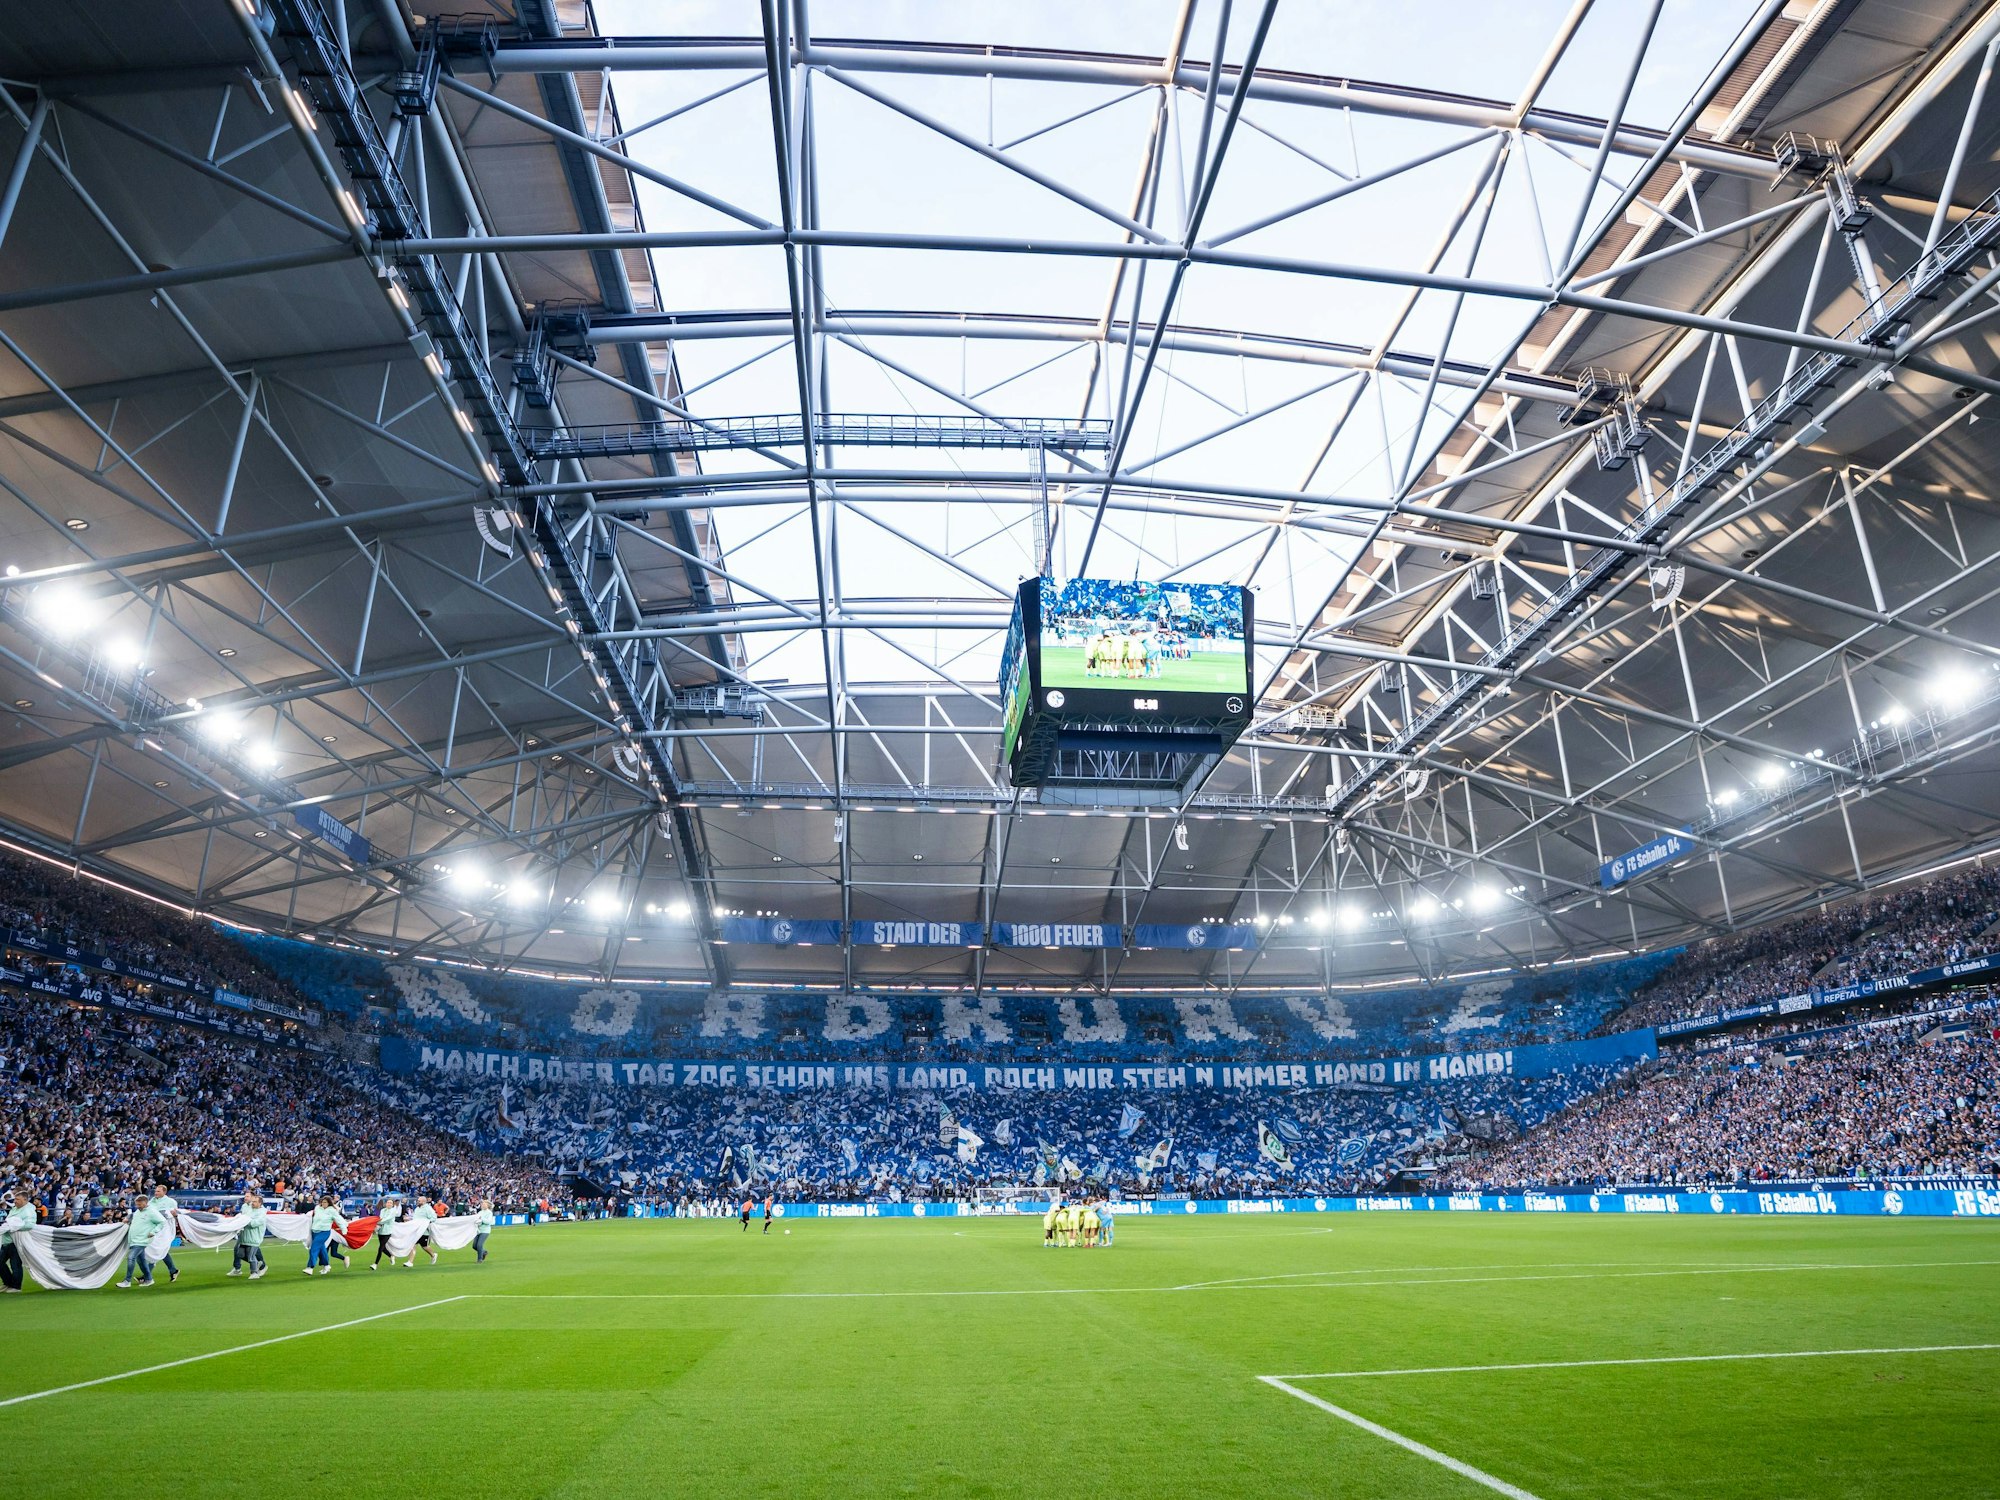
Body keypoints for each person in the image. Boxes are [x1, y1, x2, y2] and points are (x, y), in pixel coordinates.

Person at [115, 1194, 165, 1288]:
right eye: (137, 1204)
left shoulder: (152, 1212)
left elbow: (162, 1221)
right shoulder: (138, 1211)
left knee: (131, 1257)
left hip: (142, 1240)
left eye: (140, 1204)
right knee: (141, 1261)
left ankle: (127, 1281)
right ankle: (149, 1279)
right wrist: (127, 1219)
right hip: (134, 1239)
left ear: (145, 1203)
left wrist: (154, 1231)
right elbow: (133, 1218)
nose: (138, 1206)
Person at [1, 1188, 35, 1293]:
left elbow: (30, 1225)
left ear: (25, 1200)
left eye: (18, 1199)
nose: (15, 1201)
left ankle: (16, 1287)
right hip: (6, 1241)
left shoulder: (29, 1211)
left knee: (15, 1264)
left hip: (17, 1242)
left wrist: (14, 1226)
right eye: (15, 1199)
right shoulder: (14, 1209)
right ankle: (8, 1283)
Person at [230, 1192, 268, 1280]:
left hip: (253, 1238)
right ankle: (259, 1264)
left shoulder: (262, 1212)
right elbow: (243, 1218)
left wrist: (244, 1221)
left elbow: (254, 1223)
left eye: (254, 1201)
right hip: (244, 1237)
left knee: (251, 1257)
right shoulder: (248, 1209)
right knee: (240, 1254)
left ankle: (254, 1272)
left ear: (260, 1203)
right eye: (252, 1201)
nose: (252, 1203)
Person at [305, 1195, 345, 1275]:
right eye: (322, 1202)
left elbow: (339, 1220)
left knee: (314, 1248)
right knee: (322, 1249)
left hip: (324, 1232)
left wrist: (344, 1229)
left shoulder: (332, 1211)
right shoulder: (317, 1208)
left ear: (329, 1203)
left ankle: (310, 1267)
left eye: (325, 1202)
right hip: (315, 1231)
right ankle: (326, 1265)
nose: (323, 1203)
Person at [150, 1183, 181, 1284]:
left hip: (165, 1229)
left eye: (158, 1191)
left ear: (164, 1192)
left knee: (157, 1249)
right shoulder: (152, 1201)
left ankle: (146, 1275)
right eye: (155, 1191)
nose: (156, 1193)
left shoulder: (171, 1202)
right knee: (157, 1249)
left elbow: (174, 1214)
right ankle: (173, 1270)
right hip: (154, 1228)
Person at [402, 1197, 439, 1267]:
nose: (417, 1202)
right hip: (416, 1230)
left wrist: (425, 1222)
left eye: (419, 1201)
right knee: (412, 1245)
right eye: (417, 1201)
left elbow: (434, 1217)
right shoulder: (417, 1209)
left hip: (424, 1231)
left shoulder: (428, 1208)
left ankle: (433, 1255)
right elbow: (416, 1219)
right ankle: (410, 1262)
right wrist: (409, 1219)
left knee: (425, 1246)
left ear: (424, 1201)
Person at [371, 1194, 402, 1269]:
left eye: (391, 1203)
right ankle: (391, 1256)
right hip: (381, 1231)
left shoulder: (393, 1211)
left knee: (380, 1248)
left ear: (393, 1204)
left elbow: (386, 1219)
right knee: (383, 1247)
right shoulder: (382, 1210)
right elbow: (381, 1218)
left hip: (387, 1232)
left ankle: (375, 1264)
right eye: (388, 1202)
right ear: (386, 1203)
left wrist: (377, 1222)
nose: (389, 1204)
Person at [473, 1199, 495, 1263]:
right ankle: (484, 1252)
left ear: (487, 1205)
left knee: (479, 1245)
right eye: (482, 1204)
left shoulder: (489, 1213)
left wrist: (481, 1218)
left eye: (484, 1204)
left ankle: (480, 1259)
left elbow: (488, 1222)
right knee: (474, 1246)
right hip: (478, 1230)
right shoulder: (480, 1212)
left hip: (485, 1231)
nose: (482, 1205)